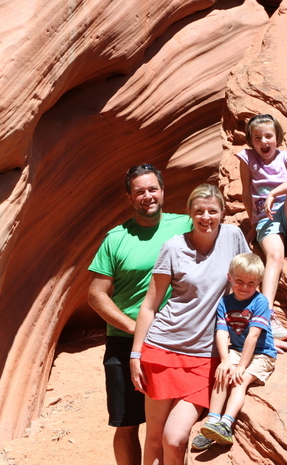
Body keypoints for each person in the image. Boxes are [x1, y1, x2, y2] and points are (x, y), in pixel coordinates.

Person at [130, 184, 251, 465]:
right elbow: (150, 304)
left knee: (174, 438)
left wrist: (265, 330)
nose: (206, 217)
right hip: (162, 350)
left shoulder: (233, 237)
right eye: (199, 211)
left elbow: (250, 283)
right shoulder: (173, 247)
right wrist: (136, 354)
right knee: (154, 437)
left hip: (205, 356)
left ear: (222, 212)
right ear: (189, 213)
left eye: (212, 211)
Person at [88, 164, 192, 465]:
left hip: (175, 340)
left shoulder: (186, 225)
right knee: (126, 422)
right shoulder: (116, 238)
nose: (148, 196)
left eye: (152, 189)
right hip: (125, 342)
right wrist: (136, 328)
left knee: (171, 425)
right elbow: (95, 295)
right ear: (129, 197)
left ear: (163, 190)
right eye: (140, 192)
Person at [236, 113, 287, 341]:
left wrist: (273, 193)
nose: (264, 141)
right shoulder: (247, 158)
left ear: (277, 137)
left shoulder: (286, 156)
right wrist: (253, 222)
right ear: (251, 141)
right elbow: (246, 192)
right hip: (266, 219)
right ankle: (266, 314)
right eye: (257, 138)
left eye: (269, 136)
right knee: (275, 256)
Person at [191, 253, 276, 451]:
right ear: (230, 277)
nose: (244, 287)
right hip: (237, 349)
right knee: (223, 374)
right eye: (239, 281)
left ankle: (225, 424)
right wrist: (225, 360)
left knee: (239, 380)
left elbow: (253, 336)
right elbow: (221, 332)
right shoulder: (225, 302)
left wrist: (241, 366)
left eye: (251, 283)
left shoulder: (260, 302)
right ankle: (212, 422)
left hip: (262, 353)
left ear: (259, 282)